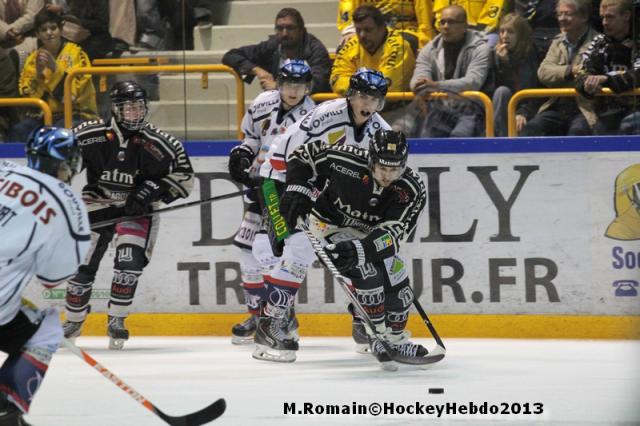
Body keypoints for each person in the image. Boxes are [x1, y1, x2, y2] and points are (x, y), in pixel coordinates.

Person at [253, 68, 391, 363]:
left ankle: (363, 320)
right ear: (352, 95)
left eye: (376, 99)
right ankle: (270, 324)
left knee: (356, 247)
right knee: (300, 247)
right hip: (279, 179)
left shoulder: (381, 131)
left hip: (324, 190)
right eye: (364, 96)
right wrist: (297, 188)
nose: (369, 105)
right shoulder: (325, 116)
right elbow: (288, 156)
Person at [61, 80, 195, 350]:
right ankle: (74, 320)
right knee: (81, 266)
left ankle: (117, 320)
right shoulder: (90, 134)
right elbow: (60, 156)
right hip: (97, 206)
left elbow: (184, 176)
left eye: (139, 107)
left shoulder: (161, 143)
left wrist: (152, 189)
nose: (135, 113)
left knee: (128, 264)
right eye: (128, 108)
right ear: (116, 109)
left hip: (137, 211)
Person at [280, 129, 429, 368]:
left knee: (398, 279)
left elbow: (392, 236)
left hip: (372, 235)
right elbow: (303, 154)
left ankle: (396, 340)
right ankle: (377, 336)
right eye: (382, 168)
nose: (388, 175)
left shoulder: (411, 189)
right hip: (329, 225)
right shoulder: (345, 159)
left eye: (394, 169)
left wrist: (360, 249)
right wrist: (297, 188)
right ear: (370, 159)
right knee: (368, 273)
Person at [0, 126, 90, 426]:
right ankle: (5, 411)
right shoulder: (67, 201)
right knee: (47, 327)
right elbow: (52, 278)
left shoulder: (3, 168)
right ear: (68, 165)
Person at [227, 59, 315, 344]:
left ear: (307, 86)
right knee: (246, 251)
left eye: (299, 85)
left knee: (270, 251)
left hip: (282, 192)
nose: (293, 90)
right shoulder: (263, 102)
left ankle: (281, 315)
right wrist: (242, 155)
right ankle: (257, 315)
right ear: (279, 83)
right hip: (257, 188)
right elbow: (252, 138)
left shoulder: (312, 114)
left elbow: (307, 160)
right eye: (289, 83)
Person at [12, 9, 97, 142]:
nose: (49, 33)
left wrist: (54, 68)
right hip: (45, 116)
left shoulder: (77, 55)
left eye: (53, 28)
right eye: (44, 30)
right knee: (19, 131)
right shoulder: (33, 60)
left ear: (61, 30)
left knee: (54, 136)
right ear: (37, 34)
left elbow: (71, 98)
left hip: (77, 115)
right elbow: (30, 102)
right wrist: (39, 76)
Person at [406, 5, 492, 137]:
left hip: (471, 110)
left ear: (464, 26)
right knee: (427, 140)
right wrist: (420, 84)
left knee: (459, 139)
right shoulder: (430, 49)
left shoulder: (480, 48)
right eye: (442, 22)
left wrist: (436, 85)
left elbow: (473, 82)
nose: (445, 26)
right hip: (439, 110)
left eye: (451, 22)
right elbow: (417, 79)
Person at [520, 0, 600, 136]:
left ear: (584, 17)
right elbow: (543, 72)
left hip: (585, 109)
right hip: (556, 106)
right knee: (531, 129)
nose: (562, 19)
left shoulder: (599, 42)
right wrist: (569, 71)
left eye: (568, 14)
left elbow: (587, 74)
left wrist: (559, 73)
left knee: (577, 133)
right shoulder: (557, 42)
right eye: (559, 14)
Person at [222, 8, 331, 94]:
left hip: (313, 110)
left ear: (301, 30)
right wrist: (256, 70)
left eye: (290, 28)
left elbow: (318, 84)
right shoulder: (272, 46)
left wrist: (279, 87)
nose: (284, 33)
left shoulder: (315, 49)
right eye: (280, 28)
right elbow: (231, 56)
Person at [575, 0, 640, 134]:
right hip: (608, 111)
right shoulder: (600, 43)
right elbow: (582, 73)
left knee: (628, 126)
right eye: (602, 17)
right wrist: (587, 82)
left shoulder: (637, 41)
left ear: (626, 16)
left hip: (637, 109)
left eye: (610, 17)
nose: (604, 22)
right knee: (585, 129)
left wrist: (606, 79)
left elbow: (637, 75)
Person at [330, 5, 418, 96]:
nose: (362, 35)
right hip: (359, 103)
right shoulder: (351, 45)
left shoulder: (399, 45)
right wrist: (362, 86)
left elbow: (385, 86)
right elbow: (336, 79)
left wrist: (354, 85)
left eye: (368, 30)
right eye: (358, 30)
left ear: (382, 27)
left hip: (396, 107)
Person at [492, 13, 540, 136]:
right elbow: (493, 88)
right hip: (503, 107)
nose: (505, 36)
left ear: (520, 35)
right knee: (501, 91)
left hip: (527, 107)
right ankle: (500, 139)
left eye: (510, 32)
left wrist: (522, 112)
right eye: (502, 31)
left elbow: (530, 87)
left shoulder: (530, 53)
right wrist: (501, 64)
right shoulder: (495, 54)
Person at [337, 0, 435, 48]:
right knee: (346, 47)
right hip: (371, 31)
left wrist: (425, 43)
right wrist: (350, 30)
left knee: (398, 45)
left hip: (406, 31)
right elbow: (348, 7)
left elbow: (425, 18)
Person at [433, 0, 507, 47]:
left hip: (486, 30)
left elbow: (495, 4)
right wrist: (444, 25)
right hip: (454, 29)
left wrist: (482, 26)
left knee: (488, 48)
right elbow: (441, 9)